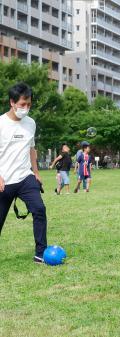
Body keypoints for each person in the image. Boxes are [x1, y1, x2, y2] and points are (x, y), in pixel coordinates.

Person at [0, 82, 47, 263]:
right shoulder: (1, 123)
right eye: (22, 105)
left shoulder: (31, 123)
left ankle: (40, 254)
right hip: (4, 180)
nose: (26, 108)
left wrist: (35, 173)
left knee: (39, 209)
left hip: (25, 177)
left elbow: (31, 149)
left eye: (29, 105)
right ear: (12, 102)